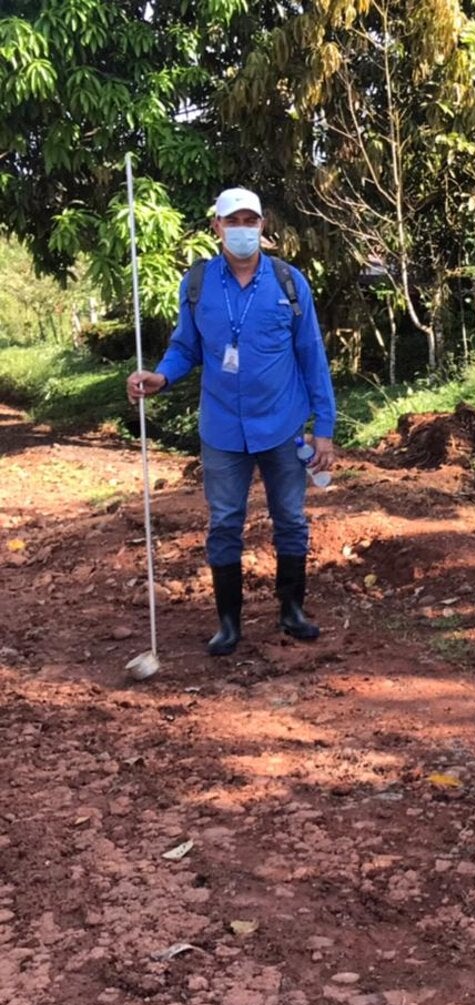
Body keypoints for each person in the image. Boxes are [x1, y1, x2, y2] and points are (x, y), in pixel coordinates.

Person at [125, 187, 336, 656]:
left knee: (291, 519)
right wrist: (161, 376)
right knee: (224, 522)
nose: (243, 229)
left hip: (282, 426)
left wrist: (324, 428)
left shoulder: (288, 282)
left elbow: (312, 356)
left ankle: (292, 610)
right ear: (217, 228)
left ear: (262, 226)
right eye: (233, 221)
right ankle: (228, 623)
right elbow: (185, 347)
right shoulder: (197, 283)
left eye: (251, 220)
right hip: (222, 429)